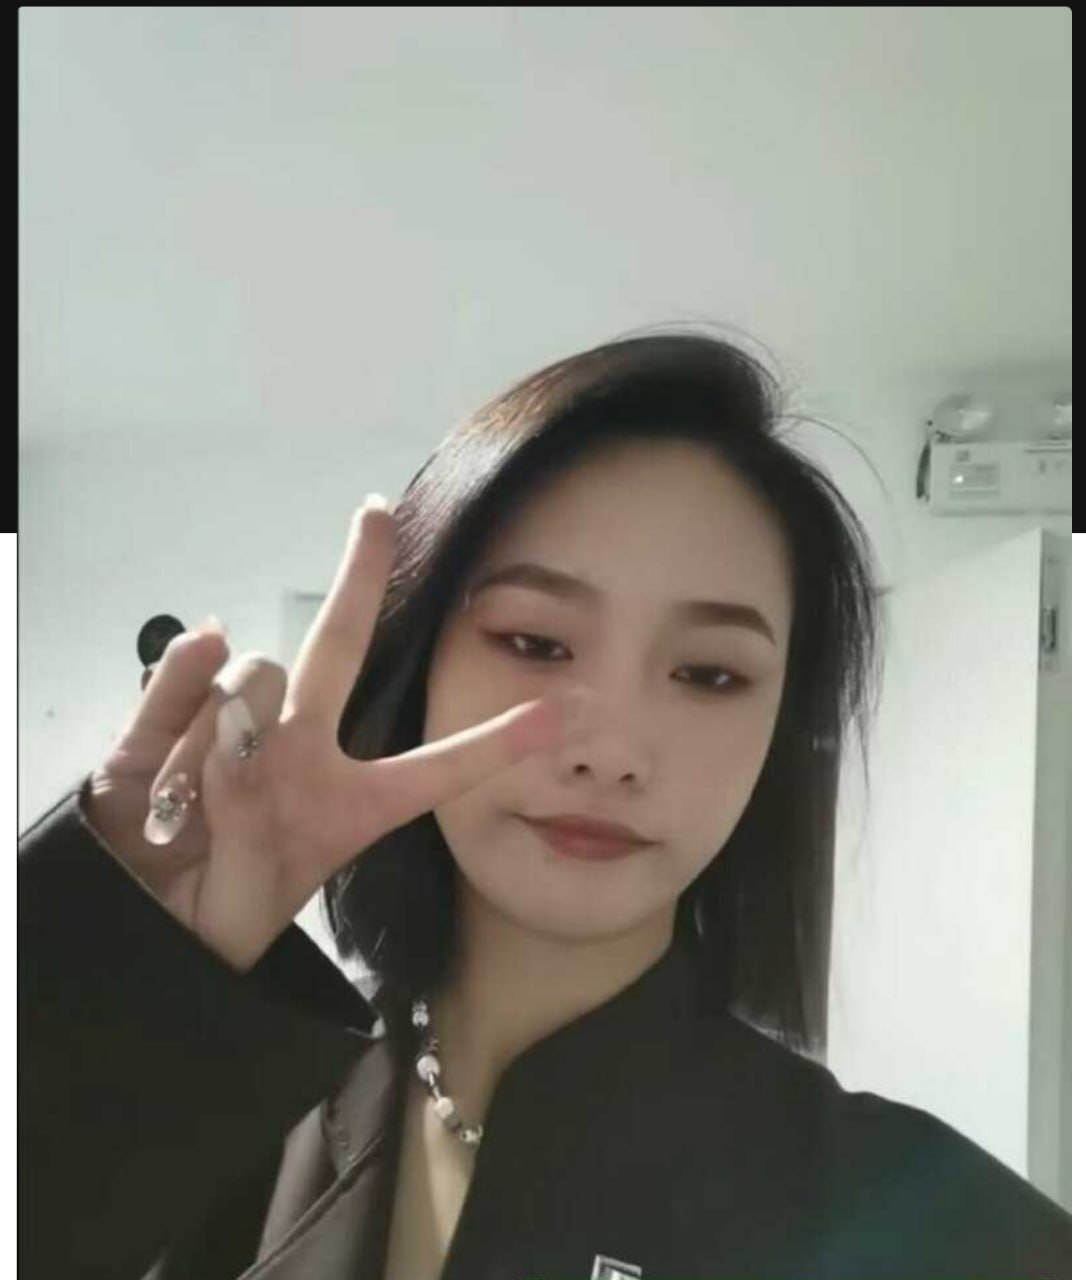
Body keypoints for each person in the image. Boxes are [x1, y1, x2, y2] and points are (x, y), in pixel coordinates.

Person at [19, 326, 1070, 1280]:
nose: (610, 752)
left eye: (709, 673)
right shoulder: (195, 1114)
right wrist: (112, 976)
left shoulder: (949, 1232)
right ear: (419, 671)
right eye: (534, 642)